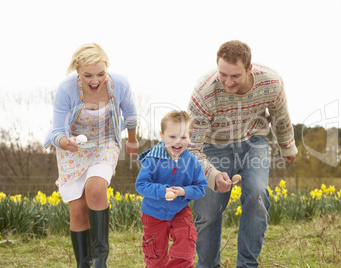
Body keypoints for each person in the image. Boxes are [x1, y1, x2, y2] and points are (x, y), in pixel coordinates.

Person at [187, 40, 298, 267]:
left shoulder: (271, 82)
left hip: (253, 140)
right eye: (223, 74)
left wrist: (287, 145)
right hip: (213, 145)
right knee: (208, 212)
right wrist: (212, 174)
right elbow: (192, 148)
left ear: (249, 69)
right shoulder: (204, 91)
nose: (228, 82)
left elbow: (280, 115)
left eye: (235, 76)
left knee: (257, 195)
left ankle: (247, 264)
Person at [44, 43, 139, 268]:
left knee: (95, 189)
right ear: (77, 70)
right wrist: (66, 143)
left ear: (107, 69)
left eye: (101, 74)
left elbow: (131, 115)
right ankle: (83, 265)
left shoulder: (120, 84)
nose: (95, 80)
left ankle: (100, 262)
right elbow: (57, 130)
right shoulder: (66, 89)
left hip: (105, 142)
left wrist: (133, 140)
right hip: (72, 146)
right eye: (88, 75)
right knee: (77, 210)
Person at [135, 110, 208, 267]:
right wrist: (163, 191)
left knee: (187, 240)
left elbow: (201, 187)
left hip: (180, 210)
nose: (177, 142)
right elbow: (141, 185)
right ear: (162, 135)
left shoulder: (192, 162)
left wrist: (184, 192)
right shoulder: (152, 159)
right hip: (153, 213)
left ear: (190, 137)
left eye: (183, 137)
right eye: (172, 137)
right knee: (155, 254)